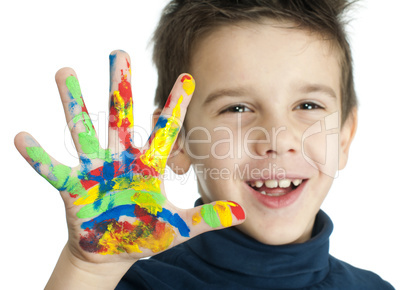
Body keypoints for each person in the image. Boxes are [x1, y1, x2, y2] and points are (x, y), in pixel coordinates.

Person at [13, 0, 394, 289]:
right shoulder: (127, 281)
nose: (278, 139)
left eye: (308, 105)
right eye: (238, 108)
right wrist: (88, 269)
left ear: (344, 135)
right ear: (176, 141)